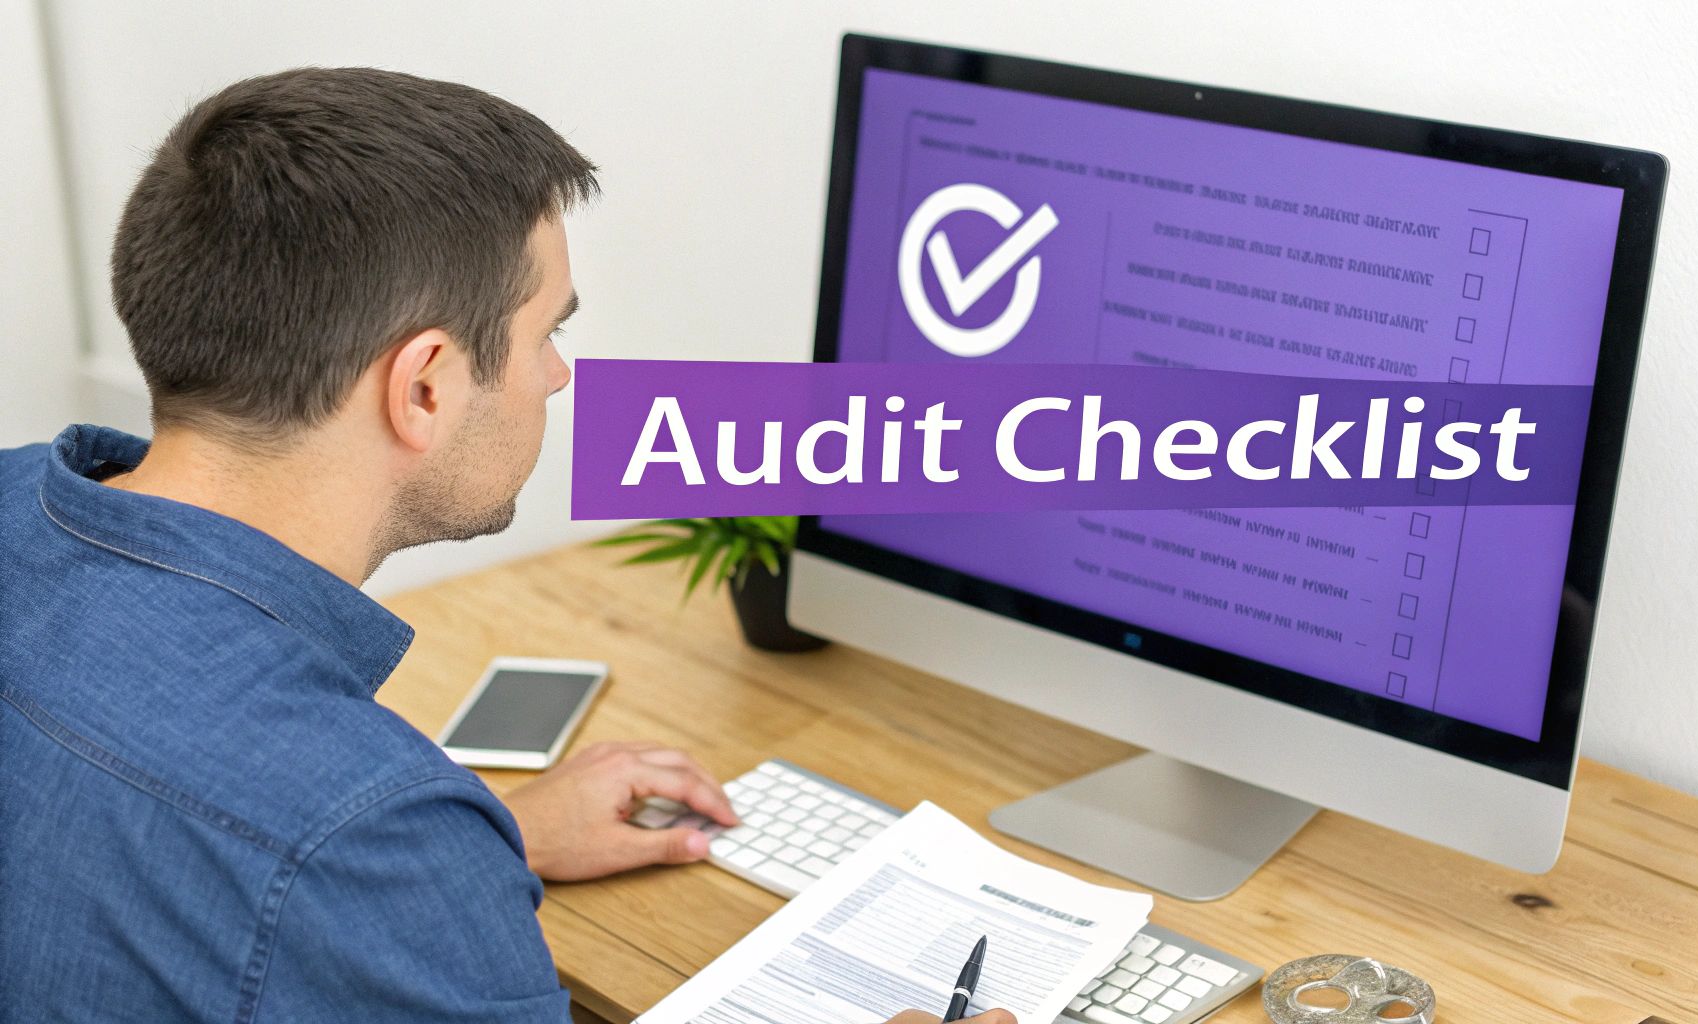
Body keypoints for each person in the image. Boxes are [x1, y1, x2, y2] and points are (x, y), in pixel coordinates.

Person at [0, 67, 1015, 1024]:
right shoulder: (363, 833)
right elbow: (290, 837)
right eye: (545, 335)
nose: (558, 379)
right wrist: (410, 865)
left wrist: (481, 842)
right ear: (425, 386)